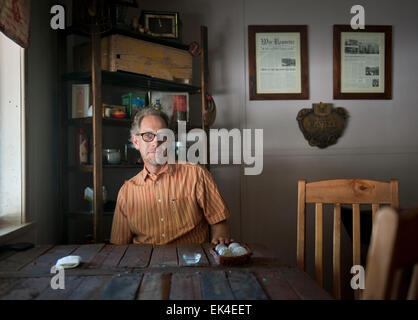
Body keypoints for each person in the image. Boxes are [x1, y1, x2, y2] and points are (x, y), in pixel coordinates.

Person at [110, 108, 233, 246]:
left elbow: (220, 223)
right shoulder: (127, 192)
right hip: (145, 264)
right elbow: (118, 246)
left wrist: (220, 239)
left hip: (191, 262)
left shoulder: (197, 175)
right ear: (136, 142)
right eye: (148, 136)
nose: (156, 142)